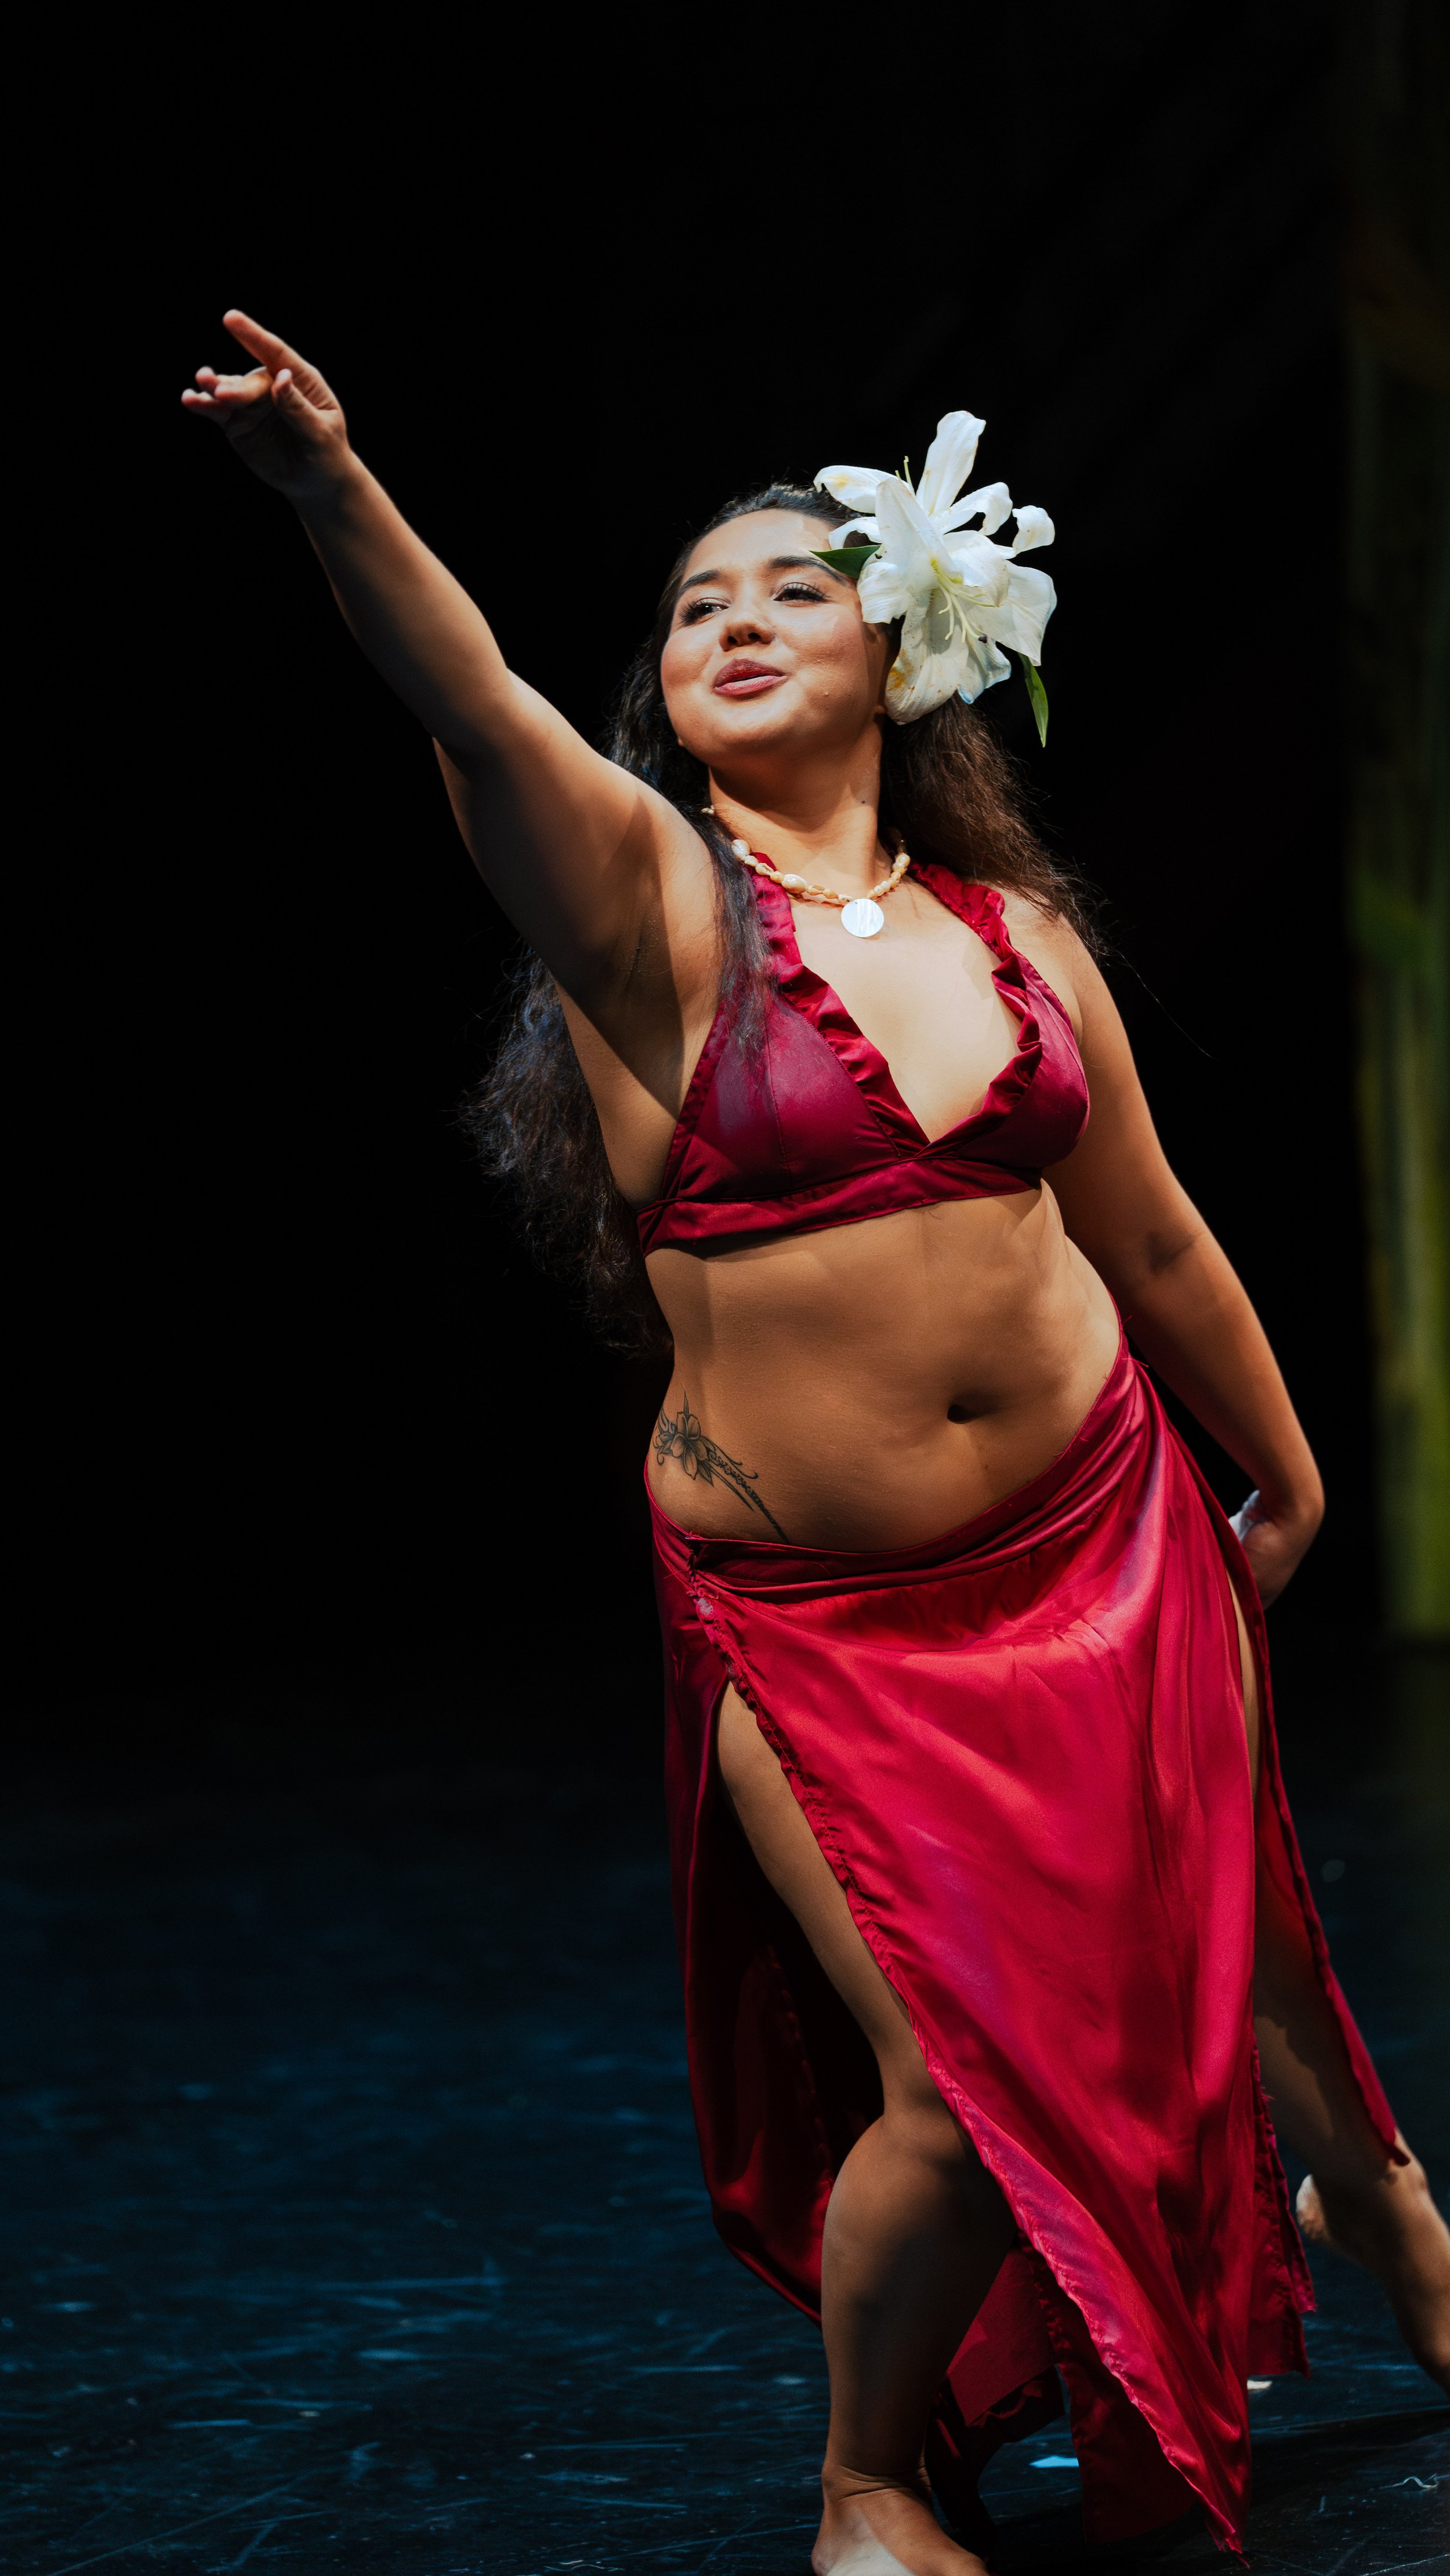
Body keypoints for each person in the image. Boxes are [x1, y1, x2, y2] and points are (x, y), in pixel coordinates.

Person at [185, 314, 1450, 2573]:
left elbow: (1148, 1239)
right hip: (829, 1621)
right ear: (661, 695)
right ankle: (868, 2480)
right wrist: (328, 492)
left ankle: (1387, 2216)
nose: (735, 621)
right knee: (963, 2088)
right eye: (693, 606)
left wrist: (1278, 1467)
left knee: (1227, 1962)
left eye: (786, 586)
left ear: (903, 649)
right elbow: (469, 701)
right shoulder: (651, 911)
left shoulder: (1017, 933)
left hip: (1112, 1526)